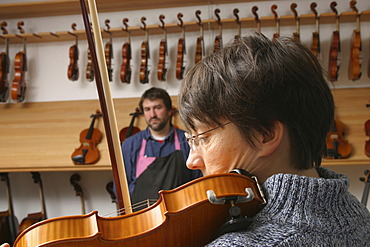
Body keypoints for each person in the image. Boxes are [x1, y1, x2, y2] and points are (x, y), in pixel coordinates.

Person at [178, 32, 370, 246]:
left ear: (265, 134)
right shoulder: (359, 216)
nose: (191, 160)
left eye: (202, 138)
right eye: (189, 139)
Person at [122, 87, 201, 210]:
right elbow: (122, 187)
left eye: (158, 108)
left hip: (179, 214)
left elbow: (197, 182)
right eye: (147, 109)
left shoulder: (187, 141)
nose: (152, 114)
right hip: (141, 218)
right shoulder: (130, 144)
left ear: (170, 111)